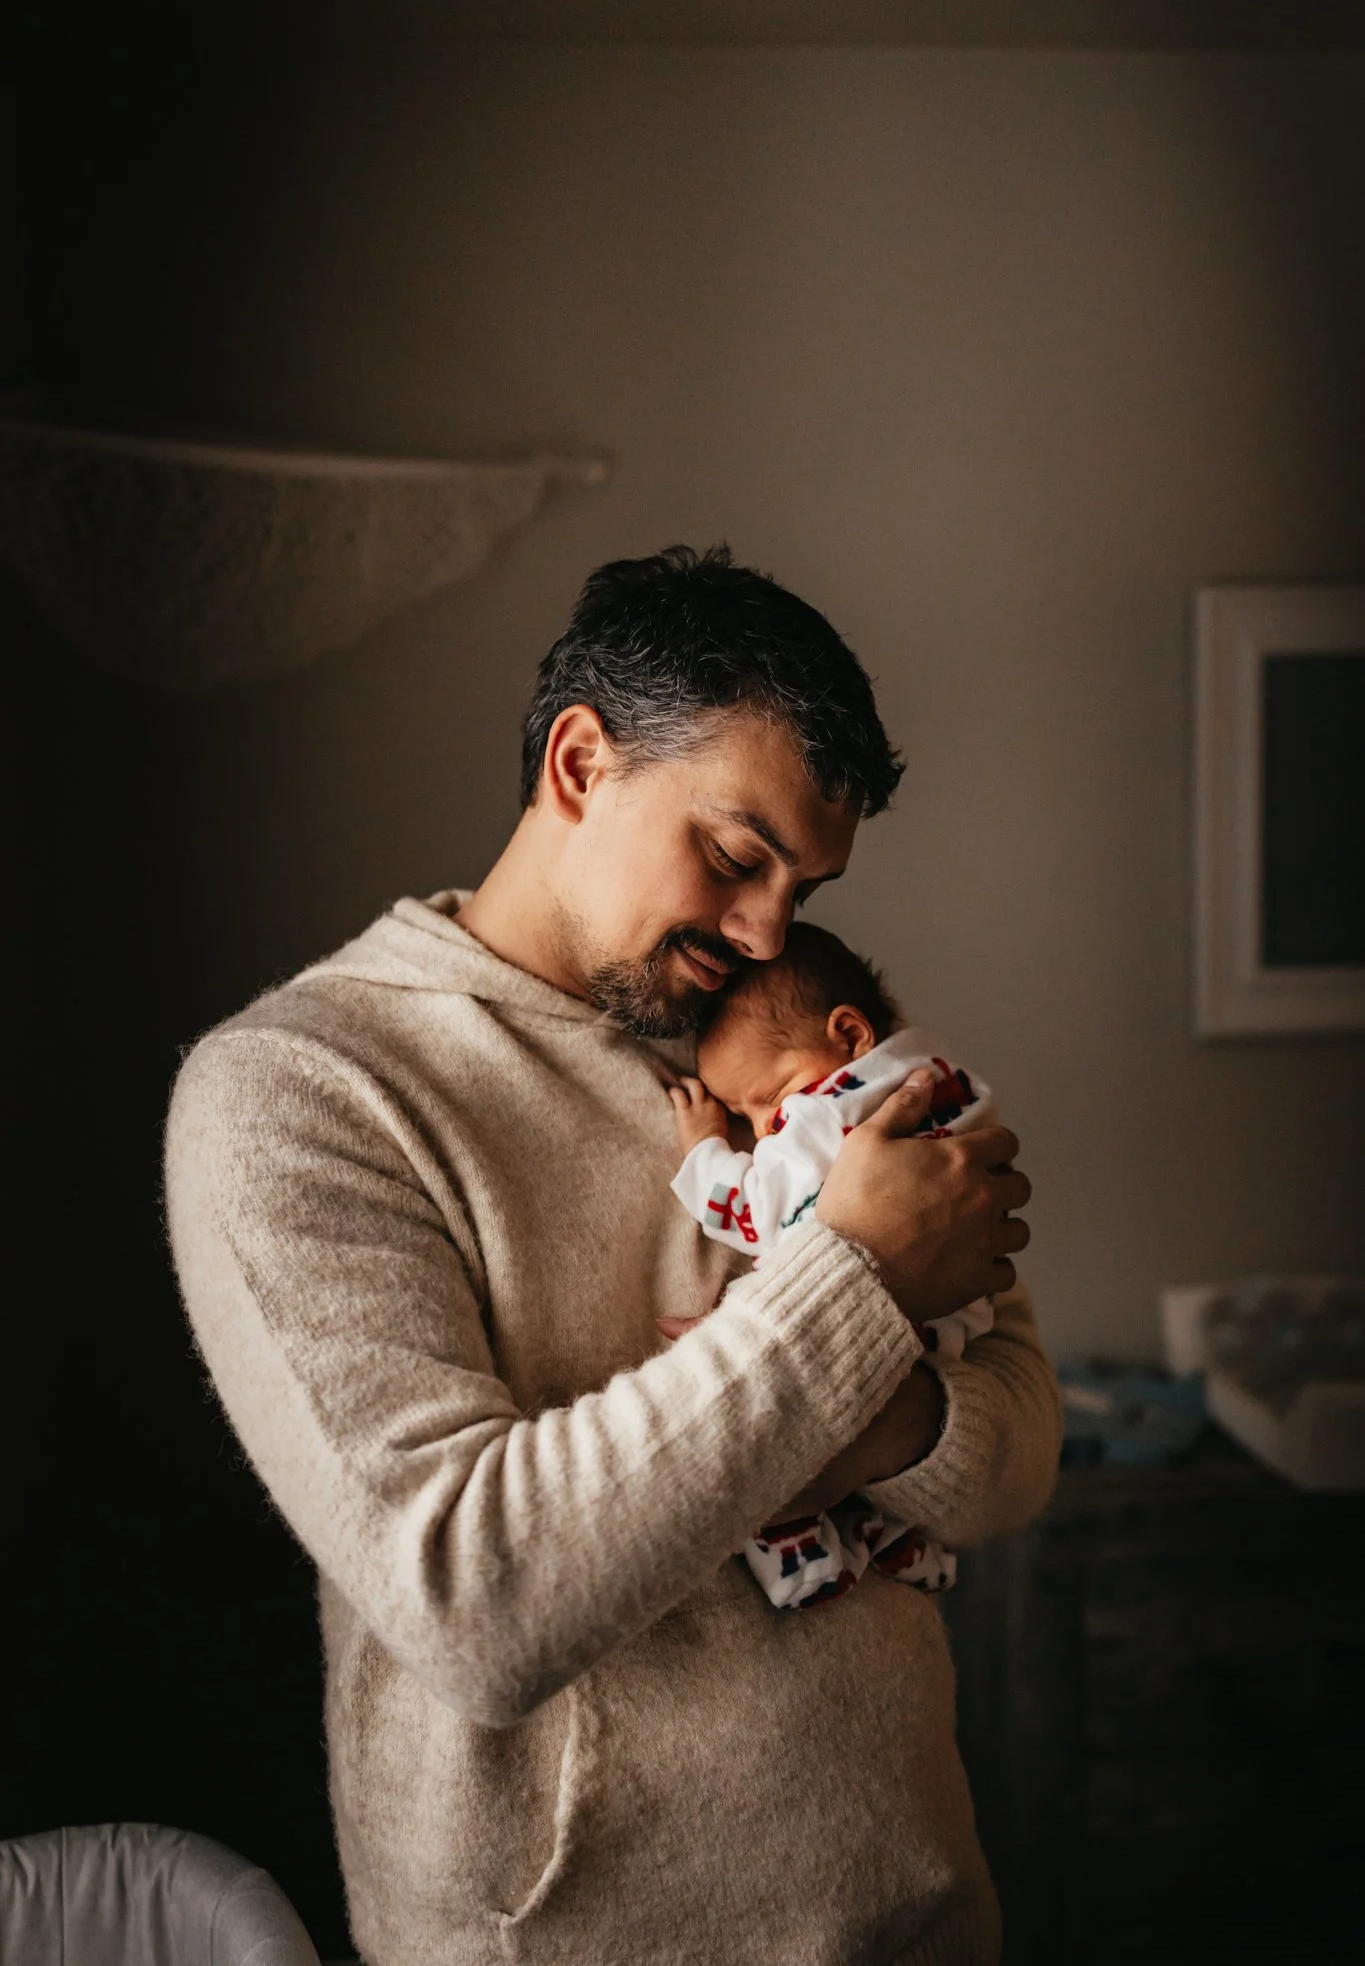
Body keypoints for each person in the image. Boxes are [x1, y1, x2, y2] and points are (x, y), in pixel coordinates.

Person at [165, 544, 1060, 1966]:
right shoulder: (301, 1093)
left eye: (803, 882)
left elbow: (1019, 1453)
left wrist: (881, 1404)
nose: (771, 929)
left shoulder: (782, 1054)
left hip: (920, 1911)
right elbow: (474, 1597)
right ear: (580, 763)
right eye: (735, 855)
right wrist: (859, 1291)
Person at [664, 919, 998, 1608]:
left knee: (765, 1466)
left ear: (848, 1037)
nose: (759, 1129)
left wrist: (703, 1147)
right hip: (951, 1325)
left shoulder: (823, 1119)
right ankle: (897, 1532)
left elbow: (753, 1211)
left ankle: (800, 1565)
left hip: (855, 1325)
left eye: (768, 1097)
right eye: (737, 1112)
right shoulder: (939, 1075)